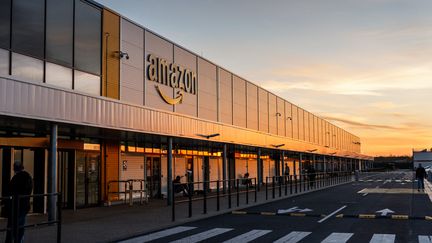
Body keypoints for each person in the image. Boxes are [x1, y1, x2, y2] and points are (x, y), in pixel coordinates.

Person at [5, 161, 33, 243]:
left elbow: (11, 190)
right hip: (24, 205)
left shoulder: (16, 178)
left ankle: (10, 240)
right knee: (20, 225)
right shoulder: (28, 176)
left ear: (15, 168)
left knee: (12, 225)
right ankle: (19, 240)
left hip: (15, 206)